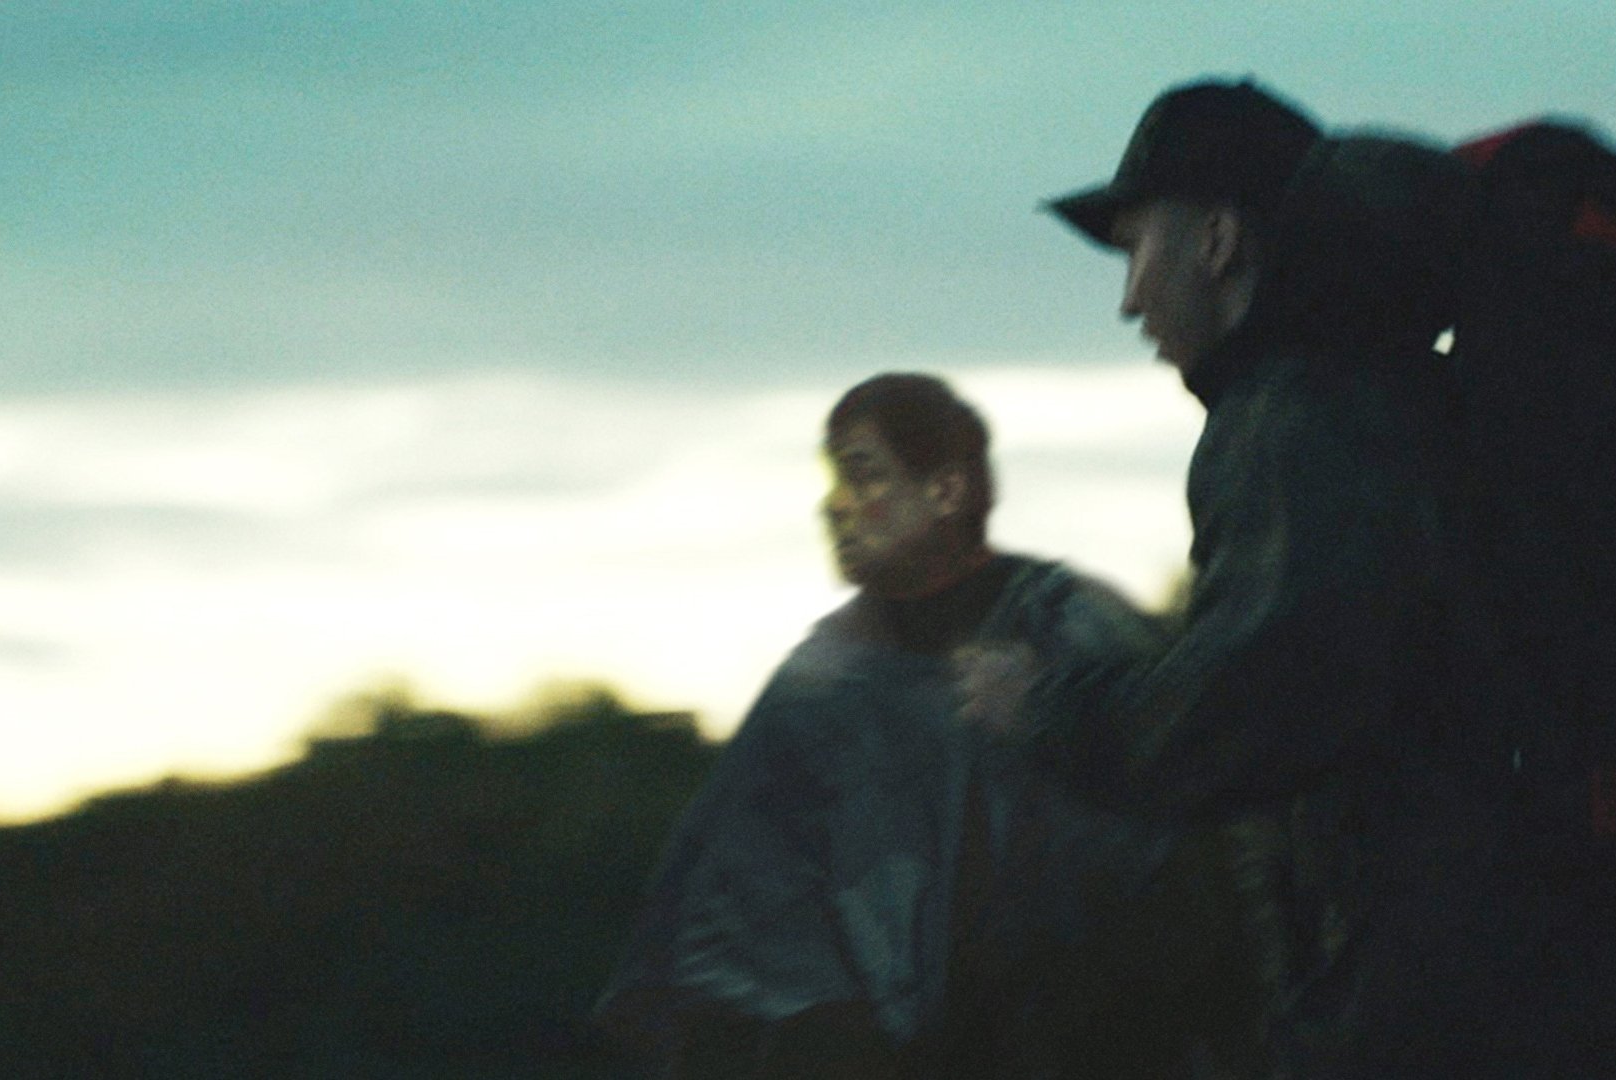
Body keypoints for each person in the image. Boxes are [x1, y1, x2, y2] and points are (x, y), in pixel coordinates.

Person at [595, 373, 1259, 1079]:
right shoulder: (821, 682)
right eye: (834, 479)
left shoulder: (1066, 628)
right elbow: (727, 909)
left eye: (863, 476)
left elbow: (1181, 834)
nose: (834, 505)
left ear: (945, 491)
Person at [1034, 80, 1499, 1077]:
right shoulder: (1391, 391)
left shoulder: (1300, 416)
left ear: (1216, 241)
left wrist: (1043, 707)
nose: (1128, 300)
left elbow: (1249, 707)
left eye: (1135, 248)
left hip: (1423, 1006)